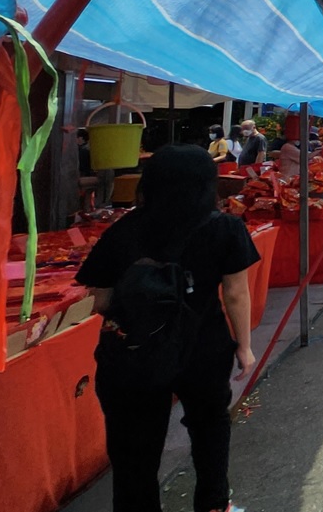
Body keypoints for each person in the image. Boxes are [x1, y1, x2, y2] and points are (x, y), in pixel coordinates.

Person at [75, 145, 261, 512]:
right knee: (209, 429)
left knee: (134, 450)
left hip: (135, 354)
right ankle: (214, 505)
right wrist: (244, 347)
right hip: (204, 346)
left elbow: (99, 300)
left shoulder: (123, 230)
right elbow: (236, 294)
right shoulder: (224, 227)